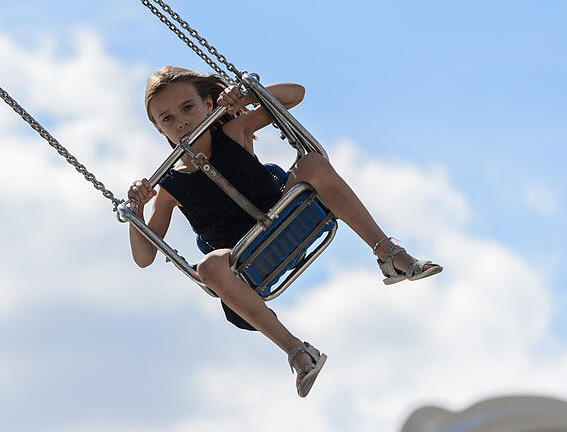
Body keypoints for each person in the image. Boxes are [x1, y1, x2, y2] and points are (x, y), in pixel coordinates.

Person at [126, 66, 442, 398]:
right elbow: (144, 257)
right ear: (157, 128)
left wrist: (244, 97)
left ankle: (388, 254)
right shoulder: (169, 188)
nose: (181, 122)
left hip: (288, 222)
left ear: (207, 104)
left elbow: (296, 93)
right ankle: (298, 352)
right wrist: (137, 210)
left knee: (312, 165)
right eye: (167, 118)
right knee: (207, 267)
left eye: (188, 108)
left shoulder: (234, 130)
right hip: (245, 268)